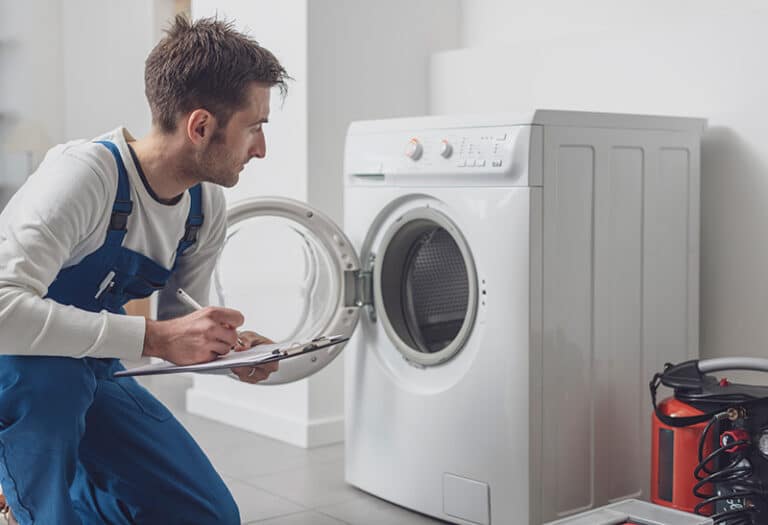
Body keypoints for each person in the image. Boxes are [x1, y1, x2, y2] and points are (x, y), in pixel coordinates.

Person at [0, 15, 289, 524]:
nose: (262, 148)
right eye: (254, 127)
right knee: (49, 471)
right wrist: (155, 337)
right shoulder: (85, 177)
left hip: (93, 368)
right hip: (19, 371)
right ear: (200, 127)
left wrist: (229, 351)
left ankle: (62, 496)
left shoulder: (203, 206)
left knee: (209, 515)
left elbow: (180, 325)